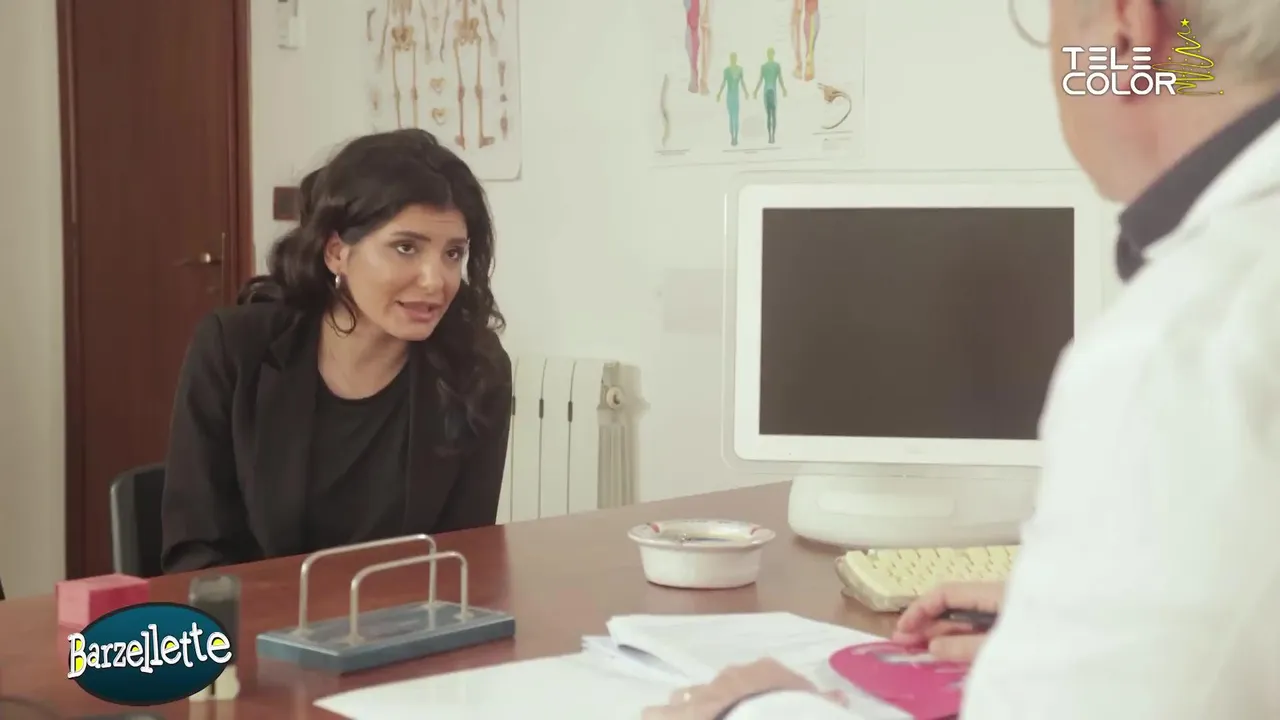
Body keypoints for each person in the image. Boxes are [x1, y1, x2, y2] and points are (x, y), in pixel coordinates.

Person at [644, 0, 1280, 716]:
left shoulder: (1179, 349)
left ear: (1123, 35)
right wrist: (1086, 618)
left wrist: (761, 708)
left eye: (1047, 30)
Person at [160, 128, 512, 573]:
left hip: (406, 614)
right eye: (406, 248)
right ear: (336, 252)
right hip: (255, 613)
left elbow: (462, 558)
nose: (435, 280)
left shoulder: (476, 368)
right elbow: (195, 554)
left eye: (453, 254)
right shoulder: (234, 348)